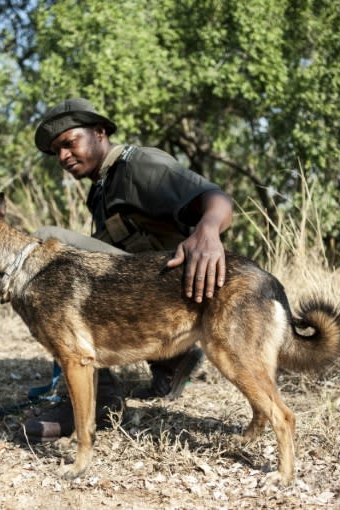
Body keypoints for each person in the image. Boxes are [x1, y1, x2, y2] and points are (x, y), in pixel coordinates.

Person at [23, 98, 233, 442]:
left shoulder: (139, 164)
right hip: (152, 297)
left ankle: (100, 399)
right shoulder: (101, 186)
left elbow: (216, 199)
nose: (62, 156)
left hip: (180, 293)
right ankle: (170, 361)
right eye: (55, 151)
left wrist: (208, 232)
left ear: (100, 132)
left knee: (49, 243)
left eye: (68, 143)